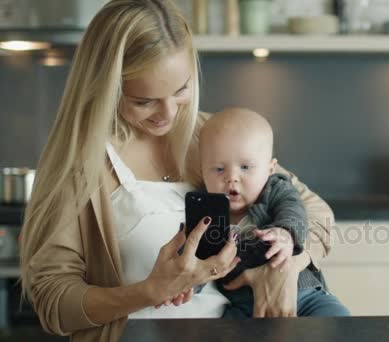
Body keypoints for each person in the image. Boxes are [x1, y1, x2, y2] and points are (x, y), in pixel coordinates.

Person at [19, 1, 334, 341]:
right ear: (104, 85)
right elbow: (53, 302)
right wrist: (150, 291)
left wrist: (284, 268)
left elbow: (316, 214)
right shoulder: (79, 165)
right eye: (144, 101)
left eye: (181, 90)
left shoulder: (212, 134)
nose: (167, 114)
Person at [194, 108, 349, 318]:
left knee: (337, 317)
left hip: (304, 294)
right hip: (242, 306)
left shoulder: (275, 189)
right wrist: (188, 284)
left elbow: (294, 209)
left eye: (246, 167)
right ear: (202, 170)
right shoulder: (205, 211)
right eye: (219, 169)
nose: (232, 178)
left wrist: (286, 233)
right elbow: (198, 256)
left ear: (270, 168)